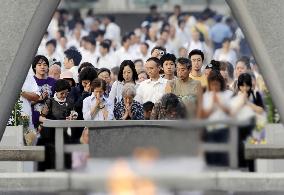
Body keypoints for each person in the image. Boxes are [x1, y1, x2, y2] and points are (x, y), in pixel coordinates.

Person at [38, 79, 76, 171]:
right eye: (61, 93)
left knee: (67, 154)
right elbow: (41, 118)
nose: (64, 95)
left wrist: (73, 116)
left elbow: (73, 112)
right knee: (52, 155)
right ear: (56, 92)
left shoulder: (70, 101)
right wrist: (52, 121)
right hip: (50, 134)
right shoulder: (50, 102)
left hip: (65, 133)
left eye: (66, 93)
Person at [201, 70, 232, 166]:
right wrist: (212, 105)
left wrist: (219, 103)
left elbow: (231, 113)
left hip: (223, 130)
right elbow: (203, 115)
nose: (214, 87)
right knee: (211, 157)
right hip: (210, 130)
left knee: (223, 157)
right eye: (212, 84)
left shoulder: (228, 94)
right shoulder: (206, 96)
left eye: (216, 84)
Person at [31, 55, 56, 130]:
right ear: (34, 67)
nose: (42, 67)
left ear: (48, 67)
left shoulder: (53, 82)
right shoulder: (30, 81)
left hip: (49, 116)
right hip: (33, 117)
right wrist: (38, 99)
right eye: (39, 65)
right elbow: (25, 102)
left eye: (45, 65)